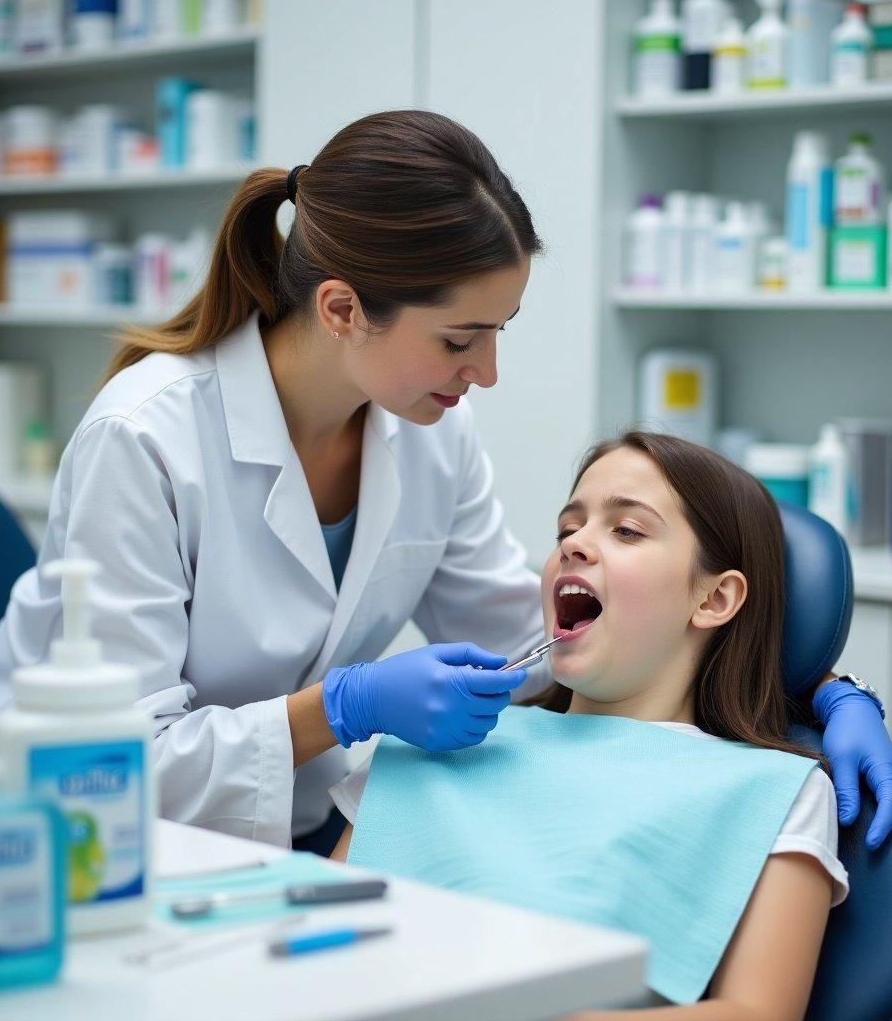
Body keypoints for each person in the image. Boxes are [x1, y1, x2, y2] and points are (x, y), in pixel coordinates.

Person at [0, 110, 892, 859]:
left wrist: (817, 690)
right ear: (343, 307)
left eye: (498, 333)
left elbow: (534, 648)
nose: (483, 374)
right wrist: (340, 707)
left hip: (272, 843)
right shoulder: (144, 437)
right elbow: (107, 765)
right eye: (457, 338)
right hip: (51, 844)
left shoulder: (430, 432)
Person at [330, 433, 848, 1014]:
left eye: (626, 530)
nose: (576, 544)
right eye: (566, 530)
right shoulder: (437, 737)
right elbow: (305, 933)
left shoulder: (771, 790)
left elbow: (758, 1013)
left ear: (714, 599)